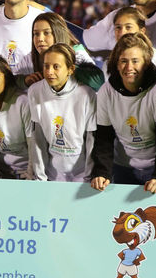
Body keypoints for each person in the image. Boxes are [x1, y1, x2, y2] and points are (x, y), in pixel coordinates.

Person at [90, 33, 156, 194]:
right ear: (116, 63)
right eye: (123, 61)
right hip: (123, 166)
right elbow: (104, 137)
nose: (129, 68)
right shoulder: (107, 91)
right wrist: (102, 172)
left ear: (146, 63)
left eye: (135, 61)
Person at [28, 43, 101, 182]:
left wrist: (89, 176)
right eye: (46, 66)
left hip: (82, 173)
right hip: (52, 173)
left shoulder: (87, 94)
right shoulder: (35, 91)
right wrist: (40, 176)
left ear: (70, 69)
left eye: (56, 67)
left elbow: (91, 140)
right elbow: (38, 138)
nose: (49, 72)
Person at [24, 12, 104, 90]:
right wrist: (25, 81)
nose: (40, 39)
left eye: (46, 33)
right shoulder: (32, 56)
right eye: (36, 34)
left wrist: (65, 69)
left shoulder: (76, 52)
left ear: (58, 33)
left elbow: (97, 82)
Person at [109, 6, 156, 81]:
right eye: (118, 27)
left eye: (128, 27)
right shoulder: (109, 64)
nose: (122, 33)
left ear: (142, 31)